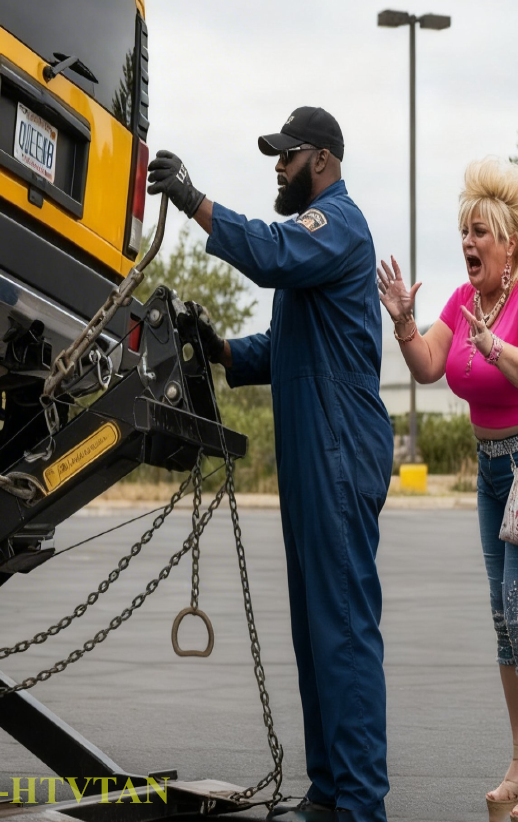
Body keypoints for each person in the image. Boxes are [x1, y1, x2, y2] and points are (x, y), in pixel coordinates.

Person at [148, 107, 393, 822]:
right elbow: (284, 347)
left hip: (340, 448)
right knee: (317, 627)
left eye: (285, 157)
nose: (278, 169)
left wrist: (195, 201)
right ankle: (330, 790)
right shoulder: (316, 255)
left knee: (342, 628)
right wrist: (220, 348)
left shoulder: (336, 224)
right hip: (317, 449)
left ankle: (360, 805)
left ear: (320, 158)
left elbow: (270, 252)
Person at [376, 157, 518, 822]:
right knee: (503, 621)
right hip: (492, 470)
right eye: (465, 232)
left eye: (482, 232)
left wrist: (496, 350)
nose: (469, 243)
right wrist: (403, 322)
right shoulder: (465, 302)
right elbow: (429, 365)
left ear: (511, 242)